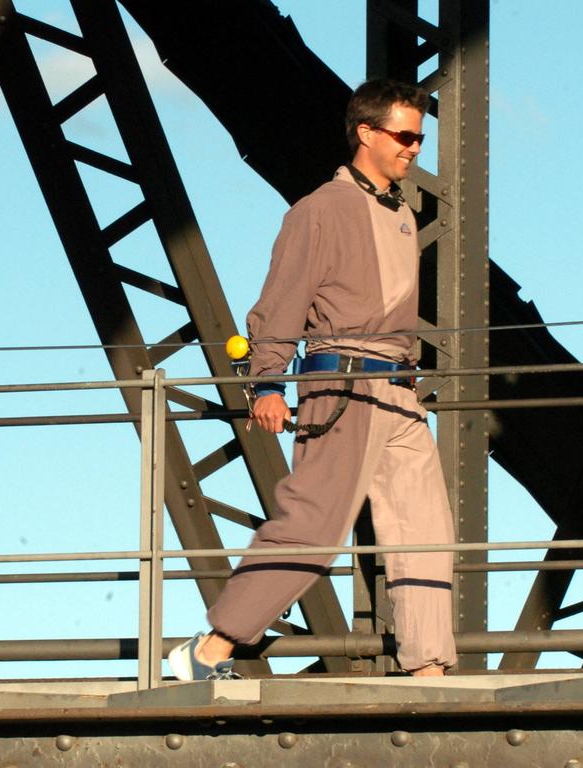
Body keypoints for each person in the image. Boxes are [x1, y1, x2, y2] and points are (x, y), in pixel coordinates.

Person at [168, 80, 457, 680]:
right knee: (314, 527)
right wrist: (268, 384)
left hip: (400, 389)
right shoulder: (318, 210)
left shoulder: (401, 212)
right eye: (405, 136)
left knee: (427, 529)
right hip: (343, 387)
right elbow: (280, 304)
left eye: (420, 137)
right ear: (367, 133)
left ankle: (429, 670)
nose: (414, 147)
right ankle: (208, 649)